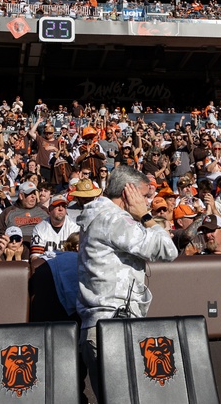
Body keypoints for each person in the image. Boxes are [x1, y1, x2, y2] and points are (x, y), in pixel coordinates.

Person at [77, 166, 177, 397]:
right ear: (127, 192)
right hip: (112, 326)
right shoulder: (113, 218)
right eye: (142, 196)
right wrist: (145, 216)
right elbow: (167, 249)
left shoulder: (99, 215)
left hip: (102, 325)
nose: (146, 202)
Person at [30, 193, 80, 259]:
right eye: (57, 206)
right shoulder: (39, 228)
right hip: (48, 266)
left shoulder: (74, 227)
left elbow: (78, 254)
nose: (61, 209)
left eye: (63, 206)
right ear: (49, 210)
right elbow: (35, 257)